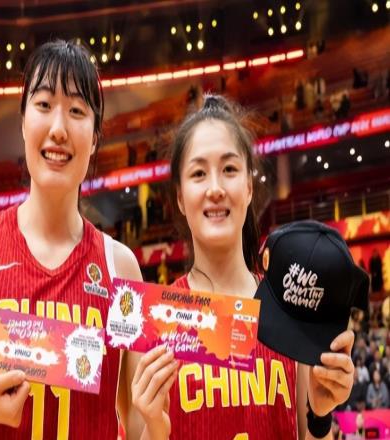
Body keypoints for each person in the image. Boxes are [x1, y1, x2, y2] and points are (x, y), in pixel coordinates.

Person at [0, 39, 142, 440]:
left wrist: (157, 418)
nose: (58, 129)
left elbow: (136, 422)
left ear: (95, 137)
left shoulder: (121, 268)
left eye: (76, 110)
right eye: (44, 104)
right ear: (22, 122)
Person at [121, 95, 356, 439]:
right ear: (180, 197)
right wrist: (155, 428)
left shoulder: (289, 311)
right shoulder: (152, 321)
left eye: (229, 169)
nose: (216, 189)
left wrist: (320, 418)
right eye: (198, 173)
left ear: (248, 187)